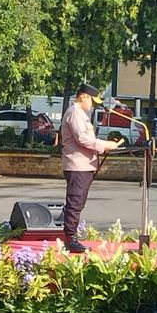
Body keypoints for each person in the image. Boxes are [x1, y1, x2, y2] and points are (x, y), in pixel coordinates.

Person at [60, 84, 120, 253]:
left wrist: (103, 146)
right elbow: (82, 139)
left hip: (84, 166)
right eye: (92, 102)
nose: (93, 105)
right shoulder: (74, 112)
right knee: (75, 201)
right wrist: (104, 144)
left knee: (78, 202)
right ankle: (70, 239)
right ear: (84, 97)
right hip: (77, 166)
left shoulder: (80, 114)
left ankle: (72, 236)